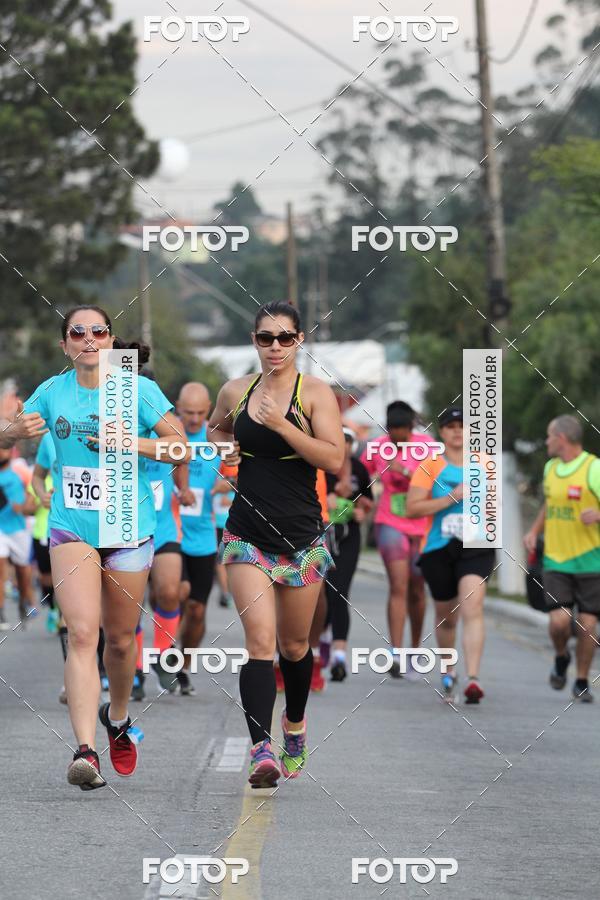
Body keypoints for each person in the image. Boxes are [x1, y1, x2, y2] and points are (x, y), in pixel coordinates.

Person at [17, 306, 188, 790]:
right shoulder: (52, 393)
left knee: (118, 639)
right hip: (71, 527)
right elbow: (11, 431)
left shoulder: (137, 391)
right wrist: (10, 432)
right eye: (78, 332)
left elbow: (181, 448)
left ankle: (116, 718)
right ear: (64, 344)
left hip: (128, 527)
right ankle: (85, 749)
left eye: (98, 331)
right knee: (82, 635)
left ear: (111, 340)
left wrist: (132, 441)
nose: (89, 338)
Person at [208, 301, 344, 788]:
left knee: (294, 644)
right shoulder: (236, 389)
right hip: (246, 533)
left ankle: (295, 725)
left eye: (285, 338)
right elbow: (217, 427)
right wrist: (225, 446)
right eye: (266, 338)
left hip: (303, 538)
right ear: (254, 340)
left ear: (299, 340)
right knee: (260, 643)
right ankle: (261, 749)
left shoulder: (316, 394)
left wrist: (283, 426)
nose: (275, 347)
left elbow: (333, 458)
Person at [406, 406, 495, 704]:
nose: (457, 430)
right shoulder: (429, 466)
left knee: (472, 606)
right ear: (442, 432)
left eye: (462, 425)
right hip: (438, 547)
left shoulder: (484, 464)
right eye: (451, 426)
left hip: (475, 545)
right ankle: (448, 672)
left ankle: (473, 679)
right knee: (447, 617)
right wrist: (451, 498)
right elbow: (412, 508)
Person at [524, 415, 600, 702]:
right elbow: (550, 502)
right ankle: (560, 656)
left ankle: (581, 680)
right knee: (559, 622)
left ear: (562, 439)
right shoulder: (551, 468)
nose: (546, 442)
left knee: (589, 625)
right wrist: (534, 530)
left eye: (548, 436)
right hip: (556, 559)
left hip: (592, 561)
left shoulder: (594, 469)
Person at [360, 401, 435, 679]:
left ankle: (415, 651)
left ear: (411, 428)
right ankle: (396, 652)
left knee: (418, 588)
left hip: (421, 524)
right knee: (398, 585)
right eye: (391, 431)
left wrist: (403, 471)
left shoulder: (426, 446)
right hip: (390, 520)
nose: (396, 437)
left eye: (401, 432)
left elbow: (436, 479)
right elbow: (359, 472)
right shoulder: (378, 446)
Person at [175, 382, 224, 696]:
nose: (193, 419)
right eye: (187, 412)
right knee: (177, 592)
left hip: (204, 537)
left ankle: (183, 665)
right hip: (171, 532)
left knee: (197, 610)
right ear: (178, 407)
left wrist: (229, 485)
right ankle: (164, 652)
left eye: (200, 413)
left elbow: (238, 473)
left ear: (208, 411)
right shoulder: (166, 434)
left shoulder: (218, 439)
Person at [325, 427, 373, 681]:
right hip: (322, 534)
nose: (343, 446)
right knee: (322, 593)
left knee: (339, 591)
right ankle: (320, 641)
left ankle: (339, 656)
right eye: (338, 441)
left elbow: (368, 500)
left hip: (349, 536)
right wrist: (329, 498)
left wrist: (360, 508)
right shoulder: (320, 466)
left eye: (347, 442)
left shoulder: (359, 468)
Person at [0, 447, 36, 629]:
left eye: (3, 450)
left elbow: (32, 499)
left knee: (23, 573)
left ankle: (24, 601)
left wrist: (23, 508)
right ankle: (0, 613)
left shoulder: (20, 472)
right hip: (0, 530)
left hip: (19, 530)